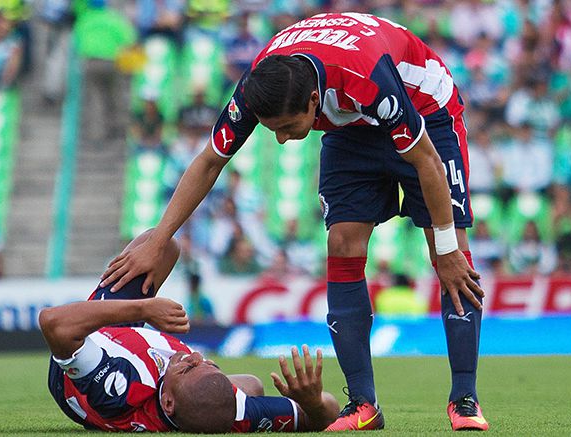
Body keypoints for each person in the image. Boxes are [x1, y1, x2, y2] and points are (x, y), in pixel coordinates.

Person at [101, 12, 488, 431]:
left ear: (311, 102)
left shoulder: (366, 77)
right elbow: (211, 160)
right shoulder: (257, 87)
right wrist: (160, 238)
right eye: (273, 131)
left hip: (424, 109)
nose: (282, 139)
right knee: (342, 243)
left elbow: (425, 159)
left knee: (448, 249)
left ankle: (464, 398)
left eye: (287, 127)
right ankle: (362, 404)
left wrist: (446, 251)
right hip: (349, 123)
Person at [40, 230, 340, 432]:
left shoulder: (122, 386)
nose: (194, 355)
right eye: (208, 364)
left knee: (157, 246)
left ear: (167, 400)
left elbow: (54, 323)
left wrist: (143, 309)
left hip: (87, 359)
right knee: (251, 384)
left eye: (187, 369)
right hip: (191, 394)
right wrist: (312, 402)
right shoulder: (236, 413)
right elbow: (327, 415)